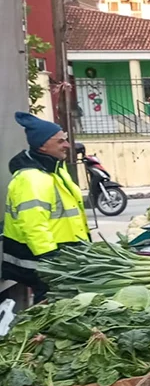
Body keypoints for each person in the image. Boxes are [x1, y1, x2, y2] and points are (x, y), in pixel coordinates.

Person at [2, 113, 90, 301]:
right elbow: (34, 225)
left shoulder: (55, 171)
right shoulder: (31, 178)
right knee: (51, 306)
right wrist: (51, 261)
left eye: (65, 140)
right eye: (60, 142)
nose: (66, 145)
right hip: (45, 261)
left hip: (64, 256)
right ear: (42, 146)